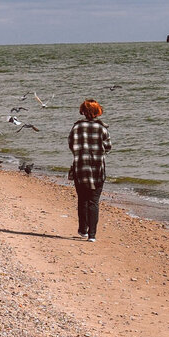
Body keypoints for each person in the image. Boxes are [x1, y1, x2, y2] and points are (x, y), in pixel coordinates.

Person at [68, 99, 111, 242]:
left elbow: (71, 144)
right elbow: (108, 147)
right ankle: (92, 235)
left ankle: (83, 230)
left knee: (83, 199)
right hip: (98, 168)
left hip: (80, 167)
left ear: (83, 112)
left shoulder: (76, 127)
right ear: (98, 112)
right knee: (94, 201)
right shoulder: (102, 128)